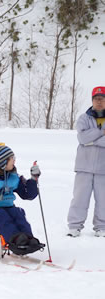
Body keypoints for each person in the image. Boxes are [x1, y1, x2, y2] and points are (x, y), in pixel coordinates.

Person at [66, 86, 105, 237]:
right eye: (96, 99)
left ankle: (101, 226)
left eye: (102, 99)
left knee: (103, 199)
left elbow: (87, 139)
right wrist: (101, 133)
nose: (99, 102)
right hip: (84, 166)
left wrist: (91, 140)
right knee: (80, 198)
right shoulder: (84, 118)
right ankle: (75, 226)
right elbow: (82, 138)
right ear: (92, 100)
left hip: (103, 167)